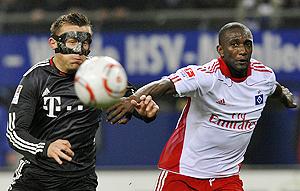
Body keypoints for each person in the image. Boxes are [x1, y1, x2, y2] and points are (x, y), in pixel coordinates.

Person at [106, 22, 297, 191]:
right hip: (184, 174)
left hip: (226, 179)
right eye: (234, 44)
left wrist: (284, 96)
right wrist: (132, 99)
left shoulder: (264, 76)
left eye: (247, 44)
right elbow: (164, 84)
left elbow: (274, 88)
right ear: (220, 50)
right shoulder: (205, 76)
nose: (243, 50)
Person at [6, 12, 159, 191]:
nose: (79, 50)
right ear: (53, 43)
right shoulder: (36, 78)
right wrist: (45, 147)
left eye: (85, 43)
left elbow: (132, 101)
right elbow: (14, 132)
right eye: (72, 42)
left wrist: (145, 112)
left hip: (80, 181)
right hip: (35, 179)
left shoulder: (101, 72)